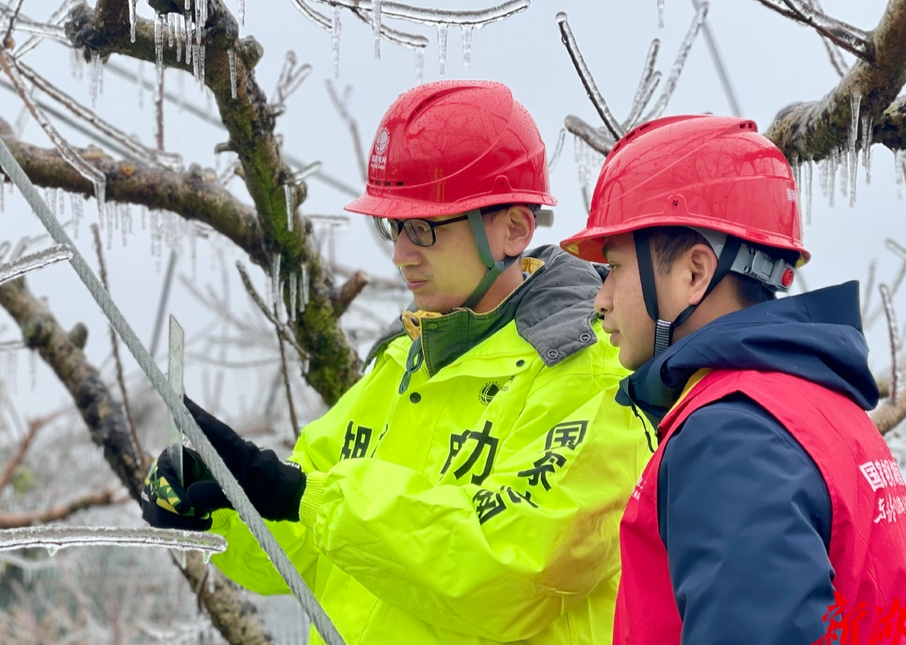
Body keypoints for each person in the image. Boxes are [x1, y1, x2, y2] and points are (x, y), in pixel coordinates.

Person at [142, 80, 654, 645]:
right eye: (394, 227)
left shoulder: (591, 378)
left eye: (424, 229)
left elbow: (506, 576)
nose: (400, 254)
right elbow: (306, 549)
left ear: (513, 229)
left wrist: (298, 495)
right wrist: (222, 501)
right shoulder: (402, 362)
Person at [559, 115, 906, 645]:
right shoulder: (825, 409)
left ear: (694, 273)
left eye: (614, 268)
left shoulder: (731, 437)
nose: (600, 301)